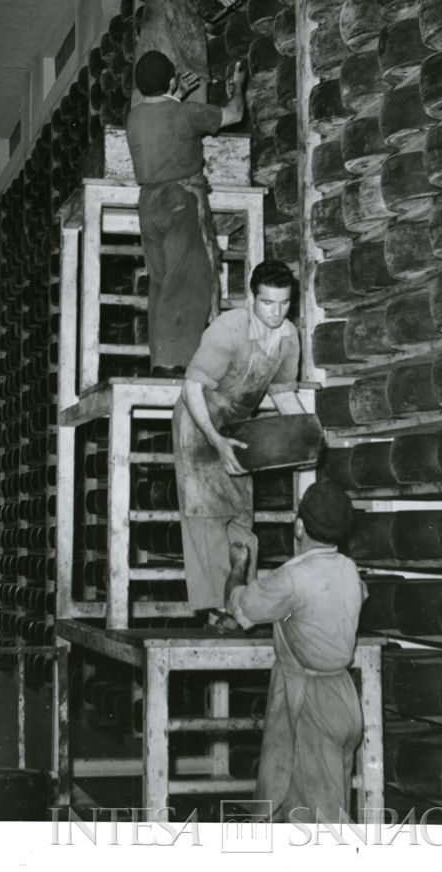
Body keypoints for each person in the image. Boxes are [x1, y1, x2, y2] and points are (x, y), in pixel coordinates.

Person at [225, 480, 367, 824]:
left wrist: (239, 566)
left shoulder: (292, 577)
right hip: (344, 698)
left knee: (318, 822)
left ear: (299, 525)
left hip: (309, 705)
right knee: (304, 803)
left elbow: (238, 605)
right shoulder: (349, 569)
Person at [172, 259, 303, 627]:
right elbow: (192, 387)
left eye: (284, 304)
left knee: (241, 515)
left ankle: (240, 600)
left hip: (237, 425)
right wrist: (215, 440)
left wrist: (307, 435)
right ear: (251, 299)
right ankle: (218, 611)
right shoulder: (227, 330)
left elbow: (282, 393)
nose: (276, 313)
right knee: (206, 515)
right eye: (267, 303)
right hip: (199, 424)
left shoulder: (288, 338)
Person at [126, 48, 246, 376]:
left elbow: (161, 113)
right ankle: (182, 364)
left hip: (148, 205)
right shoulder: (186, 114)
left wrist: (176, 95)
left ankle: (162, 361)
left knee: (162, 282)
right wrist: (238, 87)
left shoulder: (134, 117)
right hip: (179, 199)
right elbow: (232, 115)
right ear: (171, 80)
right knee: (190, 278)